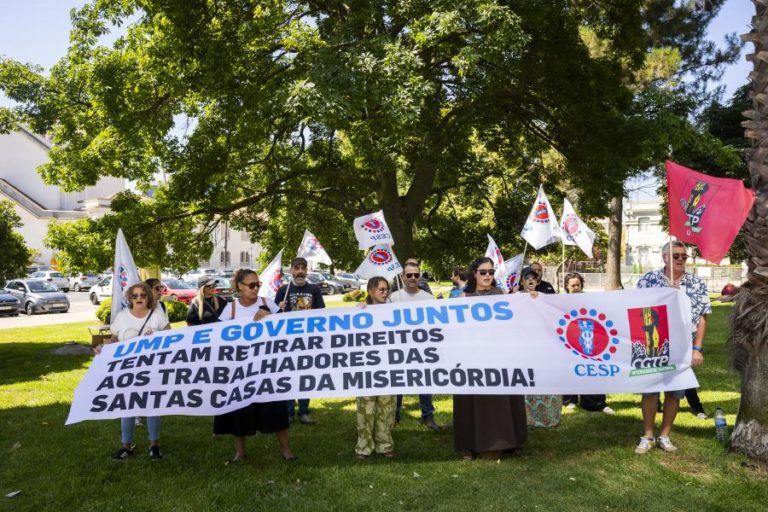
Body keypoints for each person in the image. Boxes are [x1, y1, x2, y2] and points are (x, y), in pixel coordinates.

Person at [634, 241, 710, 454]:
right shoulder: (649, 280)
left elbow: (702, 318)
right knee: (650, 390)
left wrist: (698, 349)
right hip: (653, 342)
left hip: (684, 346)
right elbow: (635, 309)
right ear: (665, 257)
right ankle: (648, 435)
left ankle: (664, 435)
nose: (680, 260)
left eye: (684, 257)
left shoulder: (696, 283)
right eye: (675, 255)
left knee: (675, 391)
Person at [215, 268, 295, 463]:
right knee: (239, 410)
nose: (255, 288)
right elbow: (217, 335)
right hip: (240, 369)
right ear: (239, 287)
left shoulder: (268, 303)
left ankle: (286, 450)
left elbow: (284, 329)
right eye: (251, 285)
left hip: (266, 367)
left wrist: (269, 314)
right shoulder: (231, 309)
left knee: (275, 409)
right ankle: (240, 452)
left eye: (258, 284)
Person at [453, 257, 527, 460]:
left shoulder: (501, 295)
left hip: (499, 355)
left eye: (491, 272)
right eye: (483, 272)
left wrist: (533, 298)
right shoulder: (463, 297)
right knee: (471, 400)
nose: (488, 276)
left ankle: (509, 441)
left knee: (502, 398)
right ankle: (469, 444)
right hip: (472, 357)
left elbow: (519, 314)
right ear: (474, 273)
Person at [100, 282, 171, 460]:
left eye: (142, 295)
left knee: (152, 407)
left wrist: (156, 338)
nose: (139, 298)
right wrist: (103, 347)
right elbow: (114, 339)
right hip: (127, 368)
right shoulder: (122, 317)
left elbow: (170, 336)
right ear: (129, 299)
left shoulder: (157, 315)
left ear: (148, 296)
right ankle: (126, 446)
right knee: (128, 407)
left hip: (152, 367)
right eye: (135, 296)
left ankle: (154, 445)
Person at [389, 260, 440, 432]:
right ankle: (394, 416)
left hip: (422, 348)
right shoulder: (393, 298)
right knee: (398, 383)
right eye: (409, 275)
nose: (412, 278)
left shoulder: (428, 299)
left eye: (416, 275)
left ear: (420, 277)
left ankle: (428, 416)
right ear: (403, 277)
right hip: (399, 348)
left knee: (424, 382)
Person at [274, 257, 325, 425]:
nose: (300, 271)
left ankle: (304, 411)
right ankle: (288, 411)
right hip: (288, 340)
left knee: (305, 375)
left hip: (308, 340)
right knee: (288, 375)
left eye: (303, 268)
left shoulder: (314, 289)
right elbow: (274, 317)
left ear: (307, 270)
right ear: (291, 271)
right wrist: (279, 308)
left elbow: (322, 313)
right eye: (297, 268)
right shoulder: (283, 290)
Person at [560, 272, 615, 415]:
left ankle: (595, 403)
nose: (576, 287)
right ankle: (569, 400)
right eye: (573, 285)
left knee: (591, 370)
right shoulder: (560, 301)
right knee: (569, 370)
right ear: (567, 286)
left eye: (578, 284)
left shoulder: (590, 299)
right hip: (568, 339)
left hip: (587, 337)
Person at [354, 277, 396, 460]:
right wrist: (358, 312)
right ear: (370, 291)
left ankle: (385, 445)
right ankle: (364, 446)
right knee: (366, 409)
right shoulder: (360, 312)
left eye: (387, 289)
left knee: (386, 409)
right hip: (367, 368)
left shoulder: (395, 311)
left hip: (388, 367)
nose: (385, 292)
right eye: (381, 289)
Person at [519, 266, 562, 428]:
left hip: (543, 346)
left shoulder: (545, 297)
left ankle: (547, 418)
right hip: (523, 346)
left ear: (537, 281)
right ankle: (526, 418)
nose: (530, 280)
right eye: (527, 277)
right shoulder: (514, 298)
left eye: (533, 278)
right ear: (522, 281)